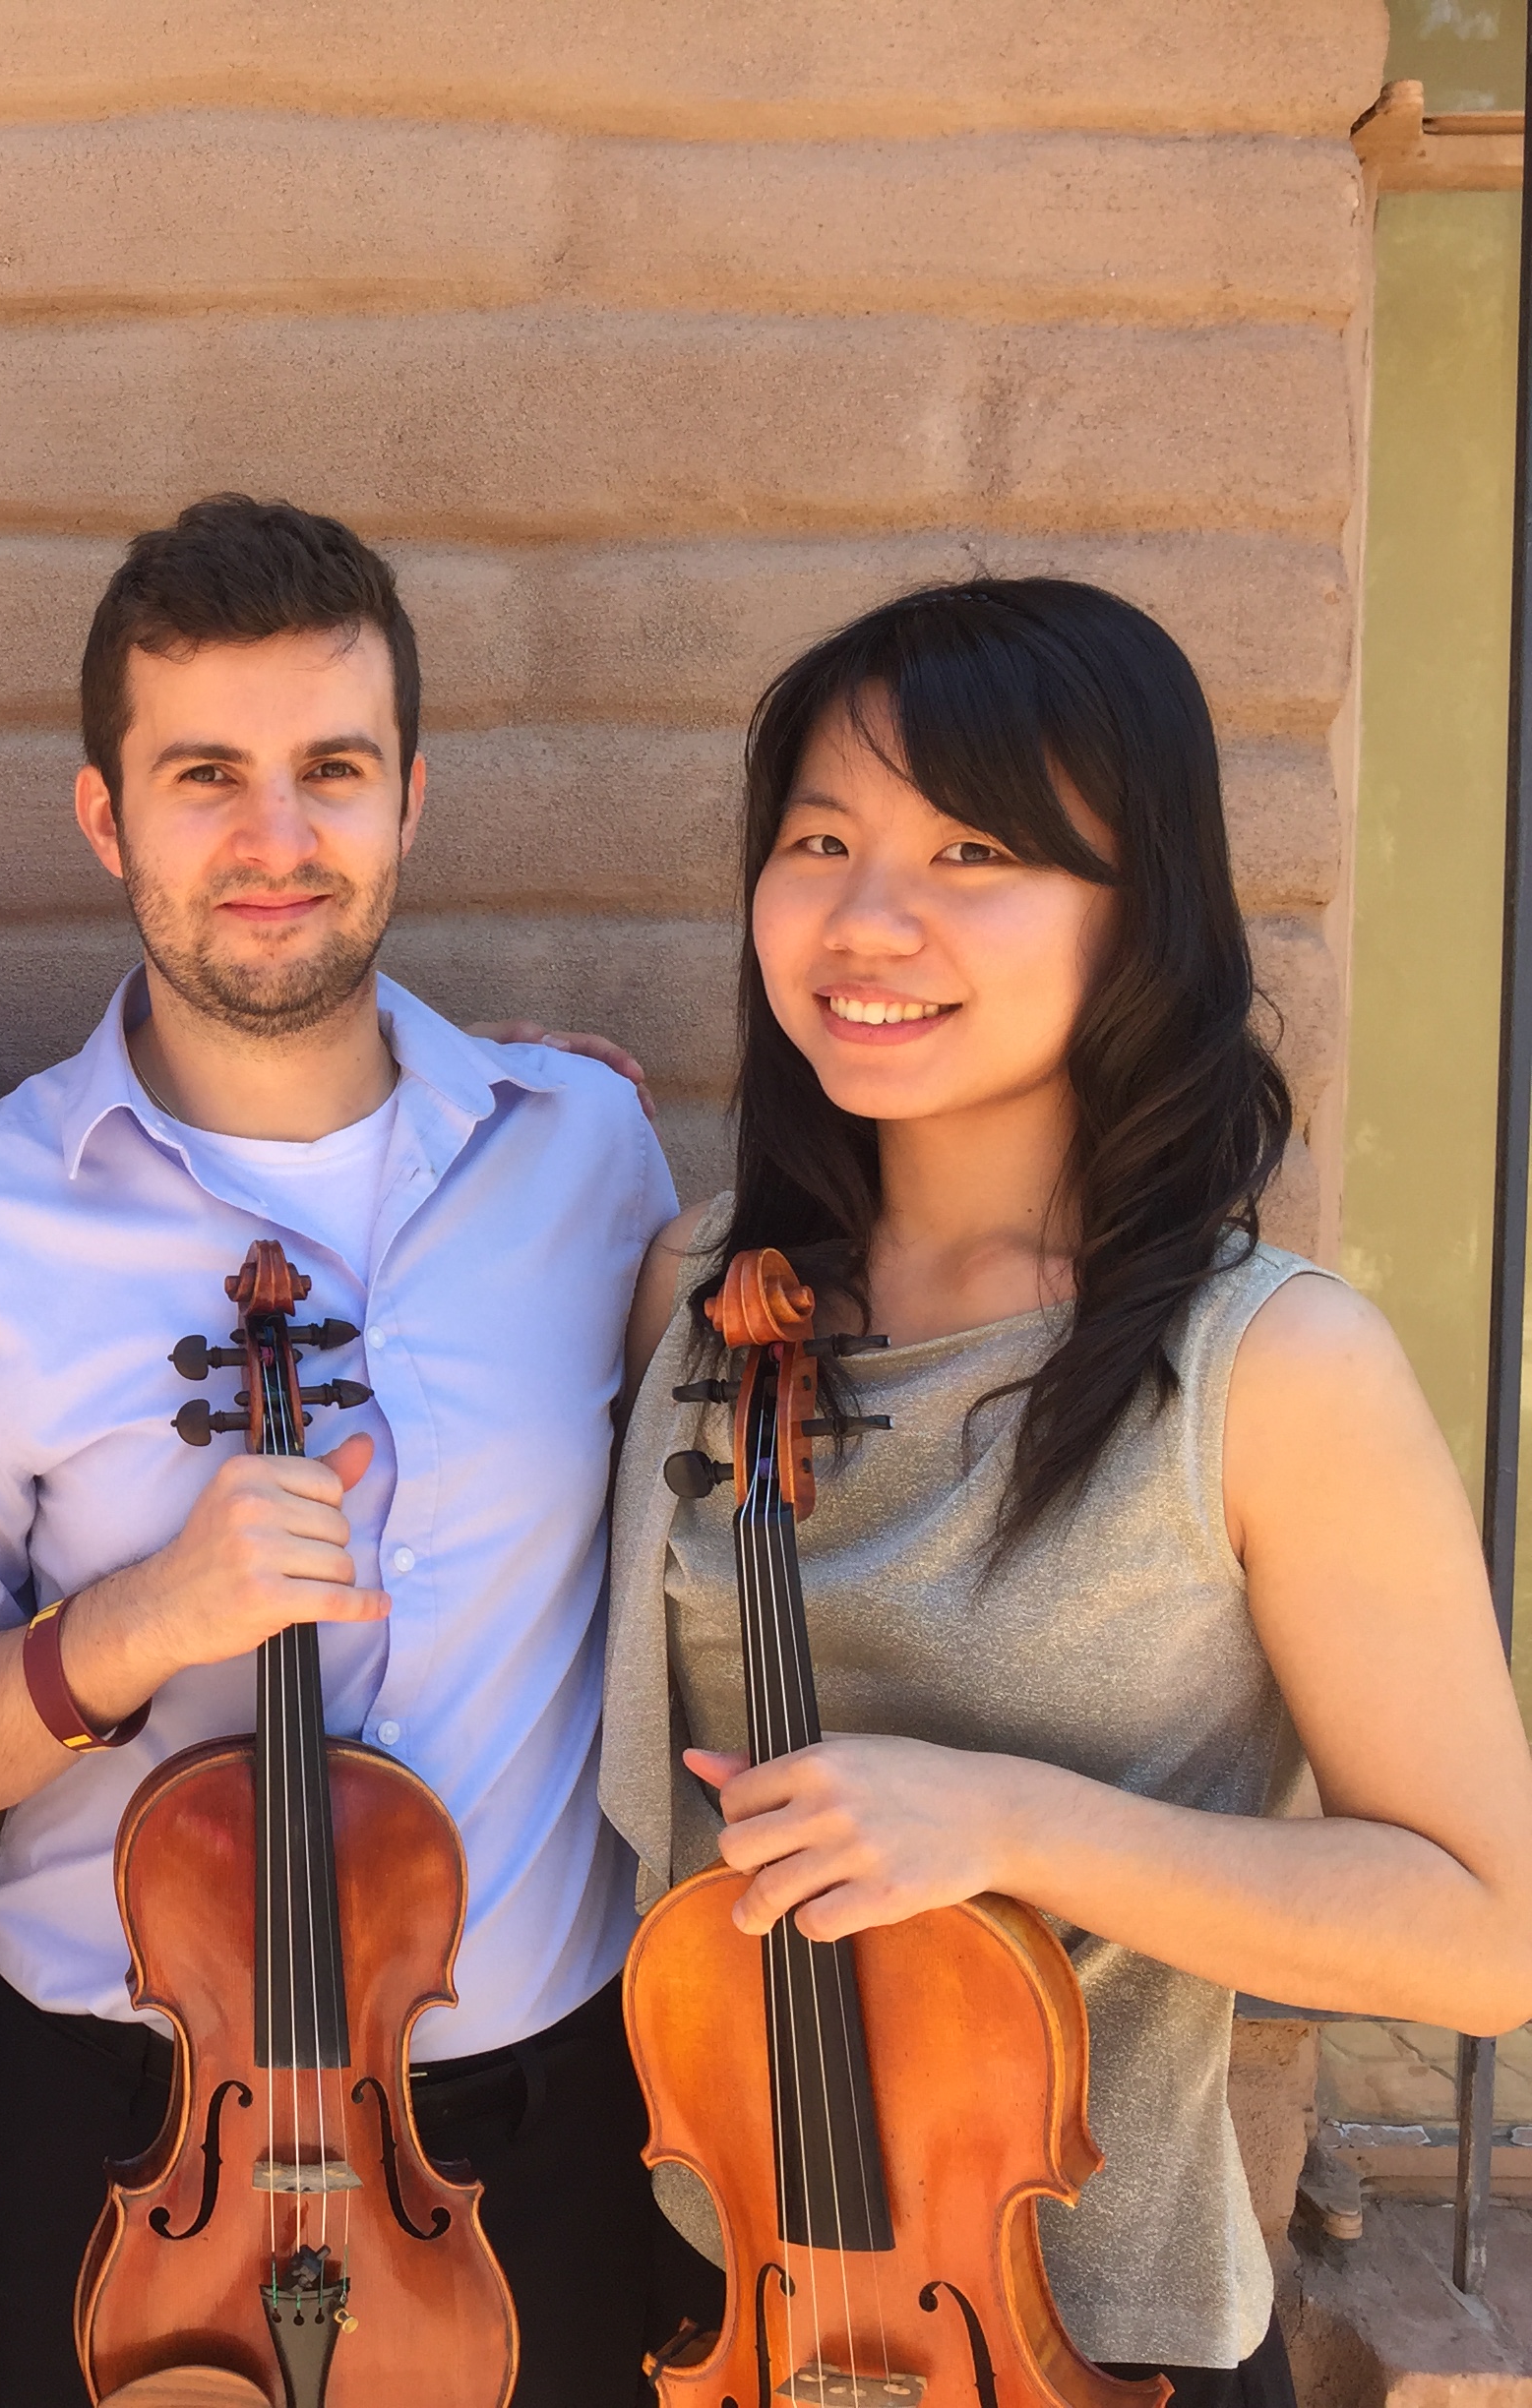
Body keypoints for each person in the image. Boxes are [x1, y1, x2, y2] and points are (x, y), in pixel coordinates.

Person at [602, 577, 1532, 2407]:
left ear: (1141, 916)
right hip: (724, 2305)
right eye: (820, 840)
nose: (871, 918)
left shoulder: (1270, 1369)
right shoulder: (704, 1290)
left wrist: (1013, 1823)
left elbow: (1488, 1936)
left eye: (973, 850)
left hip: (1084, 2348)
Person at [0, 494, 711, 2408]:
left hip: (534, 2117)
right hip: (122, 2124)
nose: (274, 841)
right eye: (203, 777)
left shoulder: (584, 1150)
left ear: (411, 797)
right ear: (106, 817)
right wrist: (136, 1623)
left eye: (331, 770)